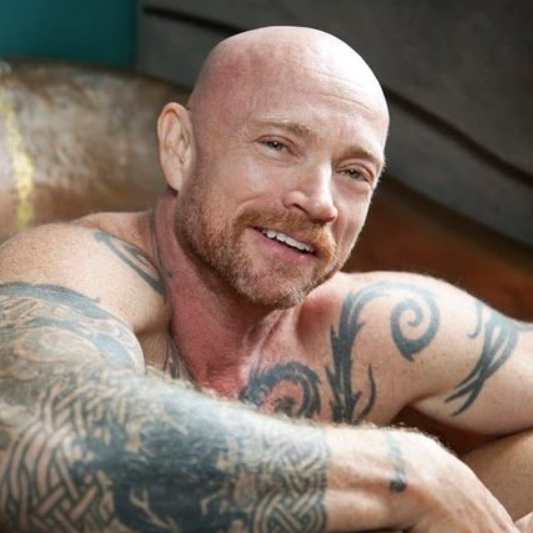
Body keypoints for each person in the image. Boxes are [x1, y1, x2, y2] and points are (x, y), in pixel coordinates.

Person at [0, 25, 531, 533]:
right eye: (278, 145)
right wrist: (407, 473)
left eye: (354, 173)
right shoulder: (80, 269)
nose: (321, 202)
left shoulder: (381, 329)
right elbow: (35, 435)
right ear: (180, 148)